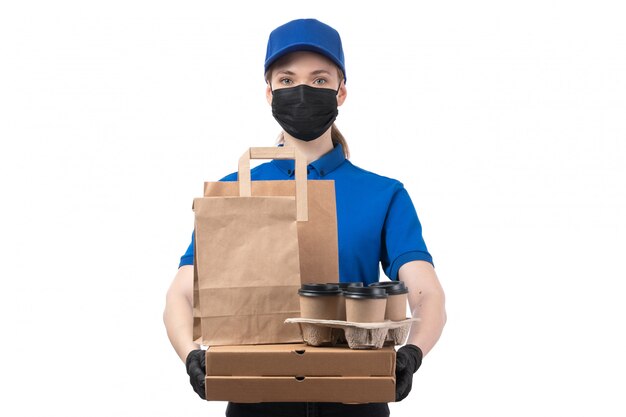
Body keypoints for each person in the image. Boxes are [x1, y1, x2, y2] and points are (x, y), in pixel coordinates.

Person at [164, 18, 447, 417]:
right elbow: (181, 292)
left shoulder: (383, 193)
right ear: (269, 93)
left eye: (318, 80)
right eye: (286, 80)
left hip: (356, 397)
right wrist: (191, 356)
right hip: (257, 398)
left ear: (340, 92)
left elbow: (426, 292)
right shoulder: (236, 190)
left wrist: (413, 352)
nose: (301, 91)